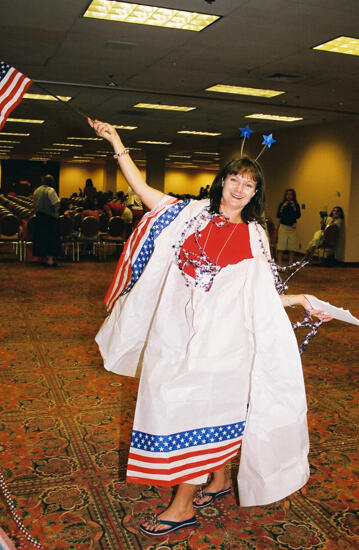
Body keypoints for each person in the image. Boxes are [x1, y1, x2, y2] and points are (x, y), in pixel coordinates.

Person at [88, 118, 332, 537]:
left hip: (224, 342)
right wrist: (117, 142)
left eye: (249, 185)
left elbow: (260, 292)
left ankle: (182, 505)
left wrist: (301, 300)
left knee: (193, 407)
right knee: (183, 399)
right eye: (235, 179)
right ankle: (218, 479)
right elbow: (143, 192)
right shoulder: (189, 214)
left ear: (256, 194)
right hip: (177, 331)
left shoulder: (254, 235)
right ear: (222, 182)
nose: (240, 188)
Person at [32, 174, 61, 267]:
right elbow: (56, 204)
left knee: (41, 239)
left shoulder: (37, 190)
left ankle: (42, 258)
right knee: (50, 240)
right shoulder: (51, 190)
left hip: (39, 218)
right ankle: (50, 260)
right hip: (49, 219)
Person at [276, 188, 301, 265]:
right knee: (281, 245)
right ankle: (280, 263)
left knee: (292, 246)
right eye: (287, 194)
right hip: (283, 226)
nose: (289, 196)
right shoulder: (282, 204)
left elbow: (298, 216)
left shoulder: (296, 205)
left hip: (292, 227)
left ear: (293, 196)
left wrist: (294, 208)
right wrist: (282, 207)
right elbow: (278, 215)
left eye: (291, 194)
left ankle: (290, 263)